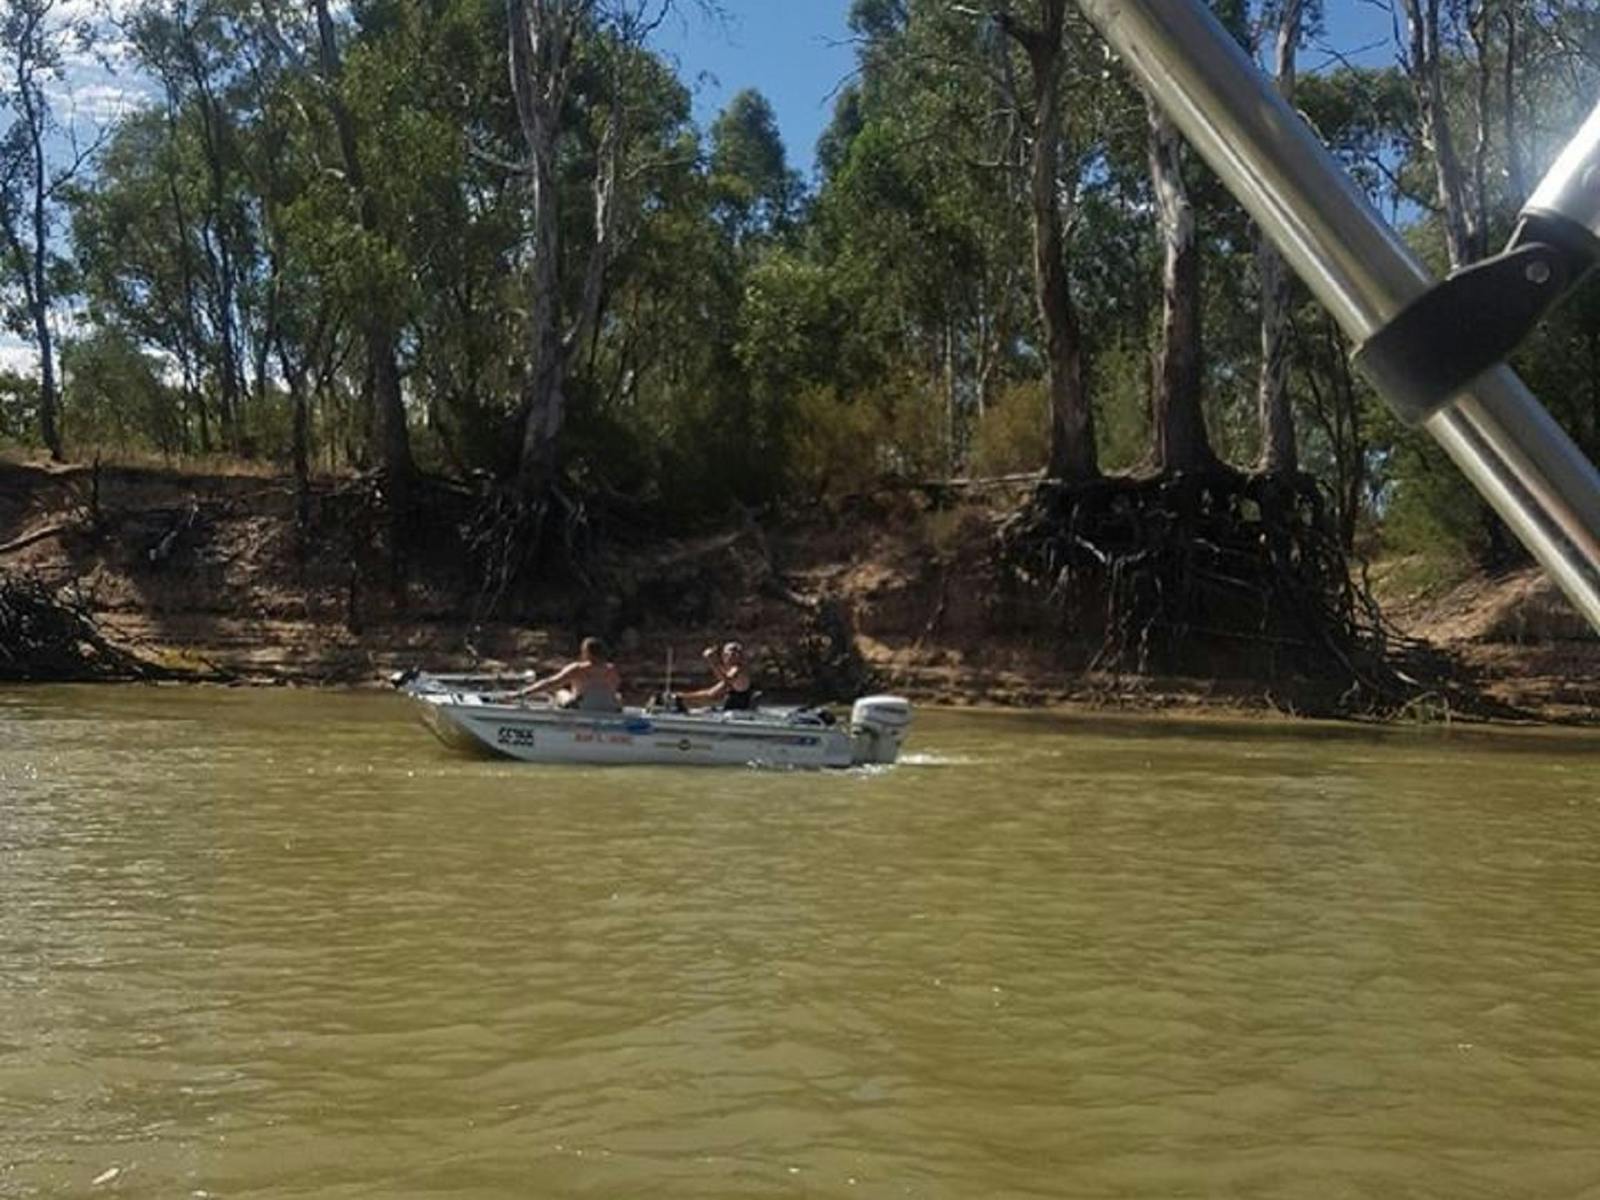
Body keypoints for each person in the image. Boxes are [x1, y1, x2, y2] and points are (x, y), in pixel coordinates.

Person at [515, 636, 622, 712]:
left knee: (560, 692)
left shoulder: (578, 668)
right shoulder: (612, 669)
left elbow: (551, 682)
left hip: (584, 707)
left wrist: (522, 693)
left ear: (586, 652)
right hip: (610, 708)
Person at [677, 640, 756, 711]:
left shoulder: (737, 670)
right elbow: (711, 693)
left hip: (738, 715)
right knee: (705, 710)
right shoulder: (729, 672)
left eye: (733, 655)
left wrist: (712, 661)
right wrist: (682, 697)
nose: (729, 658)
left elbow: (725, 682)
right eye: (726, 655)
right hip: (731, 711)